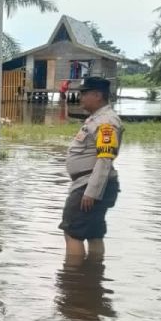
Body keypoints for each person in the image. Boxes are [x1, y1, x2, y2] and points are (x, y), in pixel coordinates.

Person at [61, 76, 123, 262]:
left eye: (84, 93)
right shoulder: (97, 119)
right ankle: (94, 275)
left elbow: (105, 159)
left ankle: (74, 281)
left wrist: (91, 192)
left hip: (89, 186)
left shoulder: (106, 123)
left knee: (73, 233)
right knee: (94, 233)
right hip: (89, 184)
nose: (80, 97)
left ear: (97, 95)